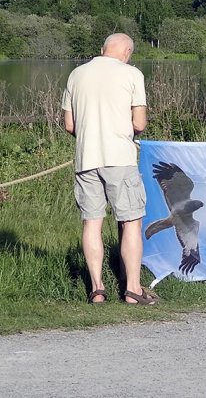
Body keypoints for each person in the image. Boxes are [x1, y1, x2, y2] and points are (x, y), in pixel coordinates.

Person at [62, 33, 159, 304]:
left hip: (86, 159)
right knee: (130, 221)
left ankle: (97, 289)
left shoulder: (76, 75)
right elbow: (139, 124)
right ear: (127, 52)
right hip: (120, 158)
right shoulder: (132, 74)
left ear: (103, 49)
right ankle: (132, 289)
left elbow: (70, 125)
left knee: (91, 222)